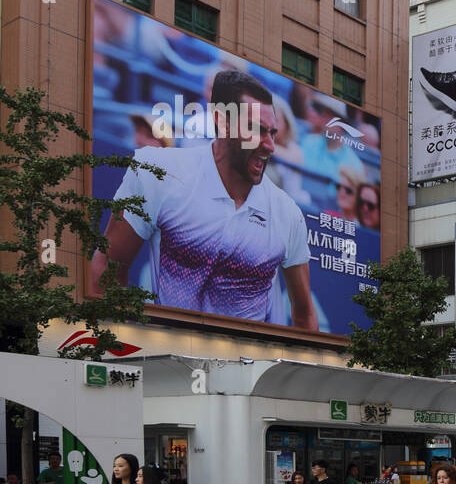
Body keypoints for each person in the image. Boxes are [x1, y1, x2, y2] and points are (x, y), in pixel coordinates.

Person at [90, 70, 318, 329]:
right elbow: (109, 264)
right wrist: (112, 344)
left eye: (272, 133)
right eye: (256, 130)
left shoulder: (287, 213)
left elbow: (304, 313)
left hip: (246, 365)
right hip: (166, 358)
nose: (269, 145)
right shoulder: (156, 170)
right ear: (222, 122)